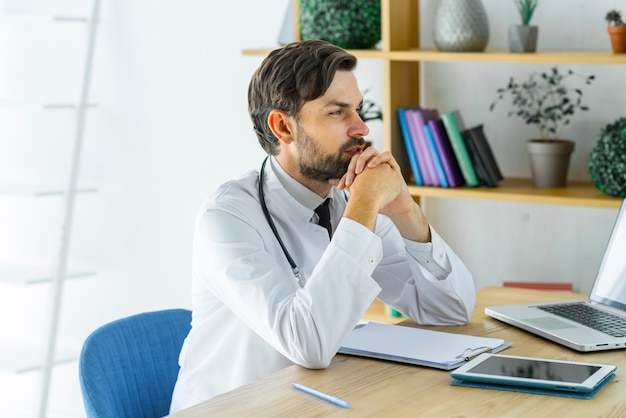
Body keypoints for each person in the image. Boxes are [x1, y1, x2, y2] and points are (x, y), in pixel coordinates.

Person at [169, 40, 475, 413]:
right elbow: (308, 343)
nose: (362, 128)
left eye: (358, 110)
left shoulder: (345, 200)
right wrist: (364, 205)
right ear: (283, 126)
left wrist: (404, 209)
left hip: (312, 404)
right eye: (337, 112)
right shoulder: (227, 217)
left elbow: (452, 309)